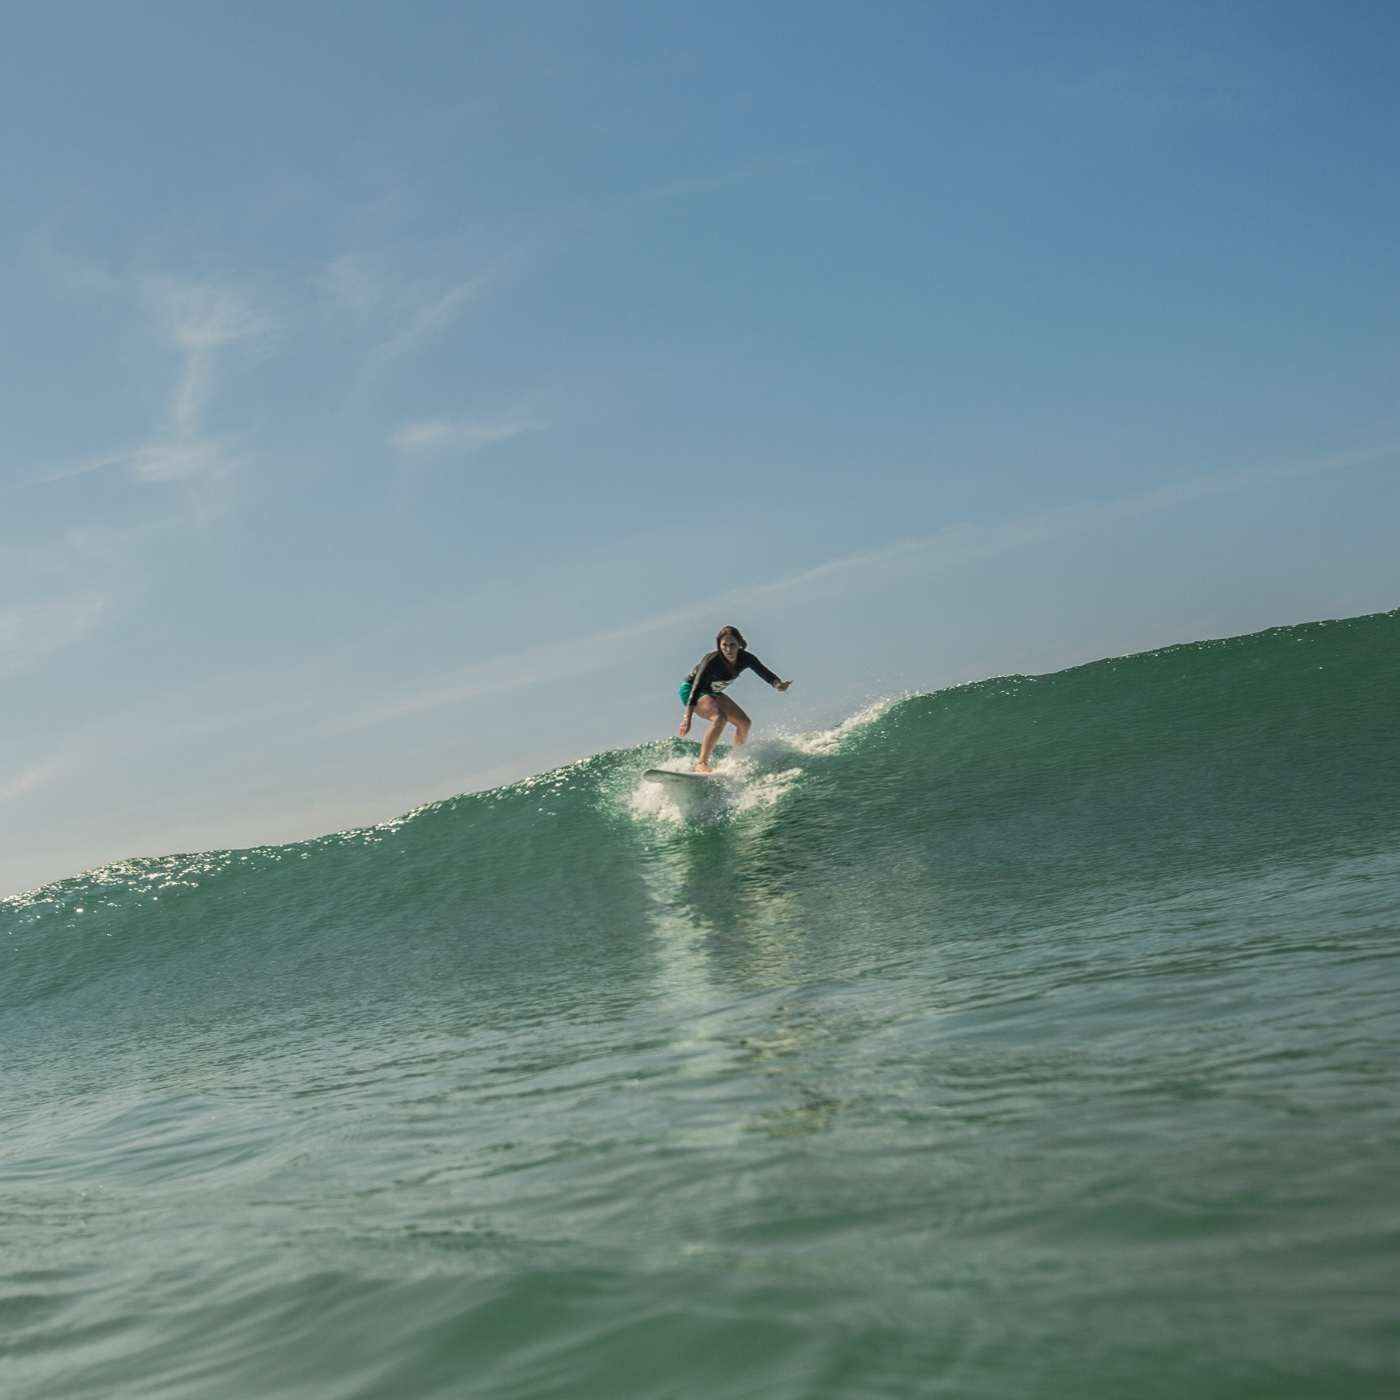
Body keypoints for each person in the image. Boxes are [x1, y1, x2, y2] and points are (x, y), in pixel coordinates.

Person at [679, 626, 791, 772]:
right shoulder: (712, 661)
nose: (728, 649)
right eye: (724, 645)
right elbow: (696, 689)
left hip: (714, 692)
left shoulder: (746, 658)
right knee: (720, 719)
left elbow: (764, 672)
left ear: (739, 644)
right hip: (691, 691)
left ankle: (737, 757)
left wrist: (778, 685)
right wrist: (687, 718)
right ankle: (701, 763)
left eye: (732, 645)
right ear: (719, 646)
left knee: (744, 723)